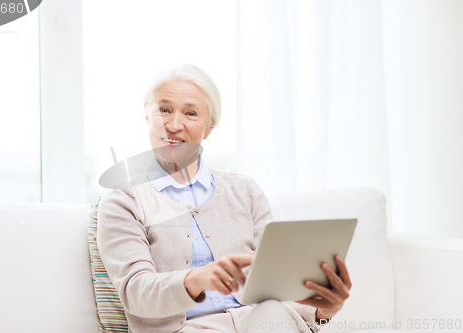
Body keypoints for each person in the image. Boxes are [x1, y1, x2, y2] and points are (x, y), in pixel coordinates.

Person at [97, 64, 352, 333]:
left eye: (190, 113)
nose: (173, 124)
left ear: (209, 128)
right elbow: (136, 292)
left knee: (272, 312)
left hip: (258, 323)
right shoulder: (123, 201)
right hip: (185, 329)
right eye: (164, 109)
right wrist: (196, 279)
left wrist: (321, 310)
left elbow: (275, 282)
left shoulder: (245, 191)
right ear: (147, 117)